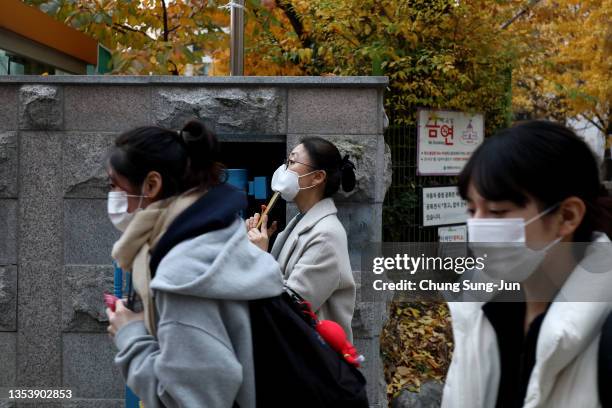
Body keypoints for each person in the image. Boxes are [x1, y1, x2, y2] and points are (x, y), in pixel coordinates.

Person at [105, 120, 283, 408]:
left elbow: (190, 399)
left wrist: (131, 335)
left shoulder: (184, 272)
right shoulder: (217, 238)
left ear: (151, 184)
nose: (111, 197)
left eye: (115, 185)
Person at [441, 120, 612, 408]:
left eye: (498, 211)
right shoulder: (478, 312)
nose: (477, 227)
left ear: (567, 216)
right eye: (471, 210)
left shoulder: (603, 338)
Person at [246, 137, 357, 340]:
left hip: (314, 363)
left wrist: (261, 255)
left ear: (317, 177)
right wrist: (258, 246)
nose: (284, 170)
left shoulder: (326, 235)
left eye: (292, 162)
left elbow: (290, 309)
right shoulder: (301, 221)